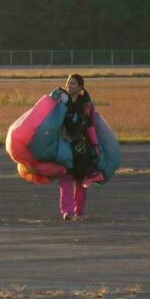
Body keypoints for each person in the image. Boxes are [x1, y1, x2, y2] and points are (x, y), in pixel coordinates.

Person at [59, 74, 104, 221]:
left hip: (80, 146)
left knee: (80, 179)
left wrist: (95, 145)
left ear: (80, 87)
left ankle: (79, 212)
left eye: (72, 84)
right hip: (65, 144)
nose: (69, 86)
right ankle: (67, 211)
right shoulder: (61, 101)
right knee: (65, 178)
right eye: (68, 83)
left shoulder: (86, 105)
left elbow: (90, 126)